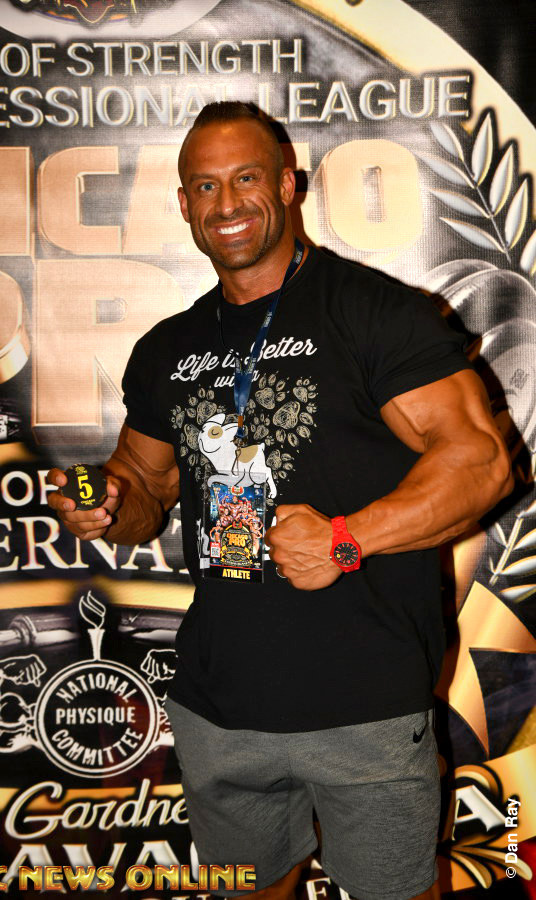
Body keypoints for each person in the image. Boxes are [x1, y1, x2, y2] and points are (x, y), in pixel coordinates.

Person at [47, 102, 513, 900]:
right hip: (219, 705)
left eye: (246, 179)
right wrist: (107, 505)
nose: (226, 203)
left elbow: (482, 462)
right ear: (183, 204)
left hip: (365, 704)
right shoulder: (168, 348)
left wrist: (345, 539)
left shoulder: (375, 313)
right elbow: (145, 488)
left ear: (289, 186)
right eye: (205, 186)